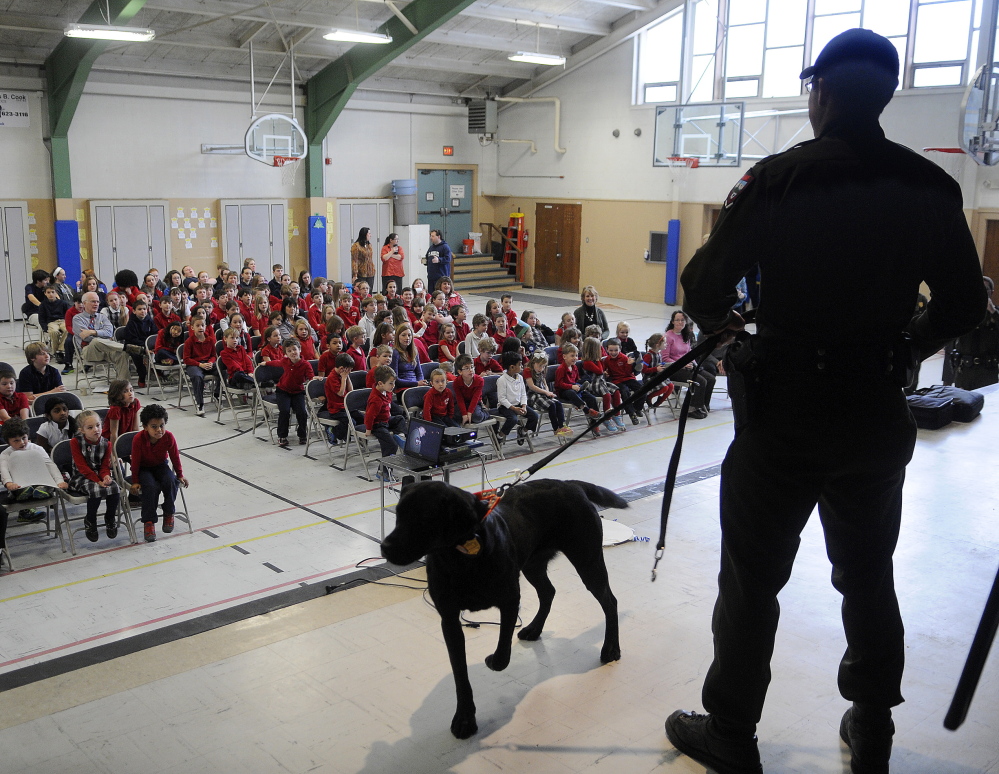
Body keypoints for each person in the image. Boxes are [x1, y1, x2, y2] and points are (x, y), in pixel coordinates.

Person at [664, 29, 988, 774]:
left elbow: (704, 287)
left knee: (751, 582)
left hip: (781, 412)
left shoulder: (776, 179)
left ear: (822, 94)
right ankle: (871, 726)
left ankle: (731, 735)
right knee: (867, 571)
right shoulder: (928, 186)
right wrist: (905, 345)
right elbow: (965, 303)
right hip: (873, 408)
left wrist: (732, 340)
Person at [130, 403, 188, 543]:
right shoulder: (138, 439)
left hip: (161, 466)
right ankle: (149, 521)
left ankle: (169, 512)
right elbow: (135, 462)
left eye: (162, 425)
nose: (159, 430)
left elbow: (175, 456)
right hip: (144, 468)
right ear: (145, 427)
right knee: (150, 487)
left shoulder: (168, 437)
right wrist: (135, 481)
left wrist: (180, 474)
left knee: (170, 481)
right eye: (154, 426)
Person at [1, 418, 69, 534]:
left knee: (46, 485)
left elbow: (50, 465)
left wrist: (59, 481)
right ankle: (24, 495)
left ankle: (42, 491)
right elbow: (4, 470)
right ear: (8, 442)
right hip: (19, 484)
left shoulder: (37, 449)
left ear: (28, 435)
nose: (22, 442)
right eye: (16, 441)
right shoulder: (5, 454)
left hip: (40, 481)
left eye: (24, 438)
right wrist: (9, 483)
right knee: (18, 490)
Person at [68, 410, 121, 543]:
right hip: (81, 476)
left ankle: (110, 517)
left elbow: (104, 466)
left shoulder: (106, 443)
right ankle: (90, 519)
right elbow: (82, 467)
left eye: (98, 425)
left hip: (98, 475)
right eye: (90, 427)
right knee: (96, 491)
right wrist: (98, 481)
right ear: (82, 430)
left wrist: (106, 477)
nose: (96, 430)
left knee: (115, 488)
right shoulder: (75, 442)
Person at [949, 276, 998, 390]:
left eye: (985, 289)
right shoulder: (964, 313)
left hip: (987, 371)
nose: (981, 292)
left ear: (992, 292)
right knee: (962, 404)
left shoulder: (996, 313)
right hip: (964, 370)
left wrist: (992, 312)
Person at [664, 310, 715, 419]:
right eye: (677, 320)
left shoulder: (685, 335)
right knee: (700, 381)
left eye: (682, 320)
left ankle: (703, 404)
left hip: (688, 366)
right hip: (674, 369)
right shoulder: (668, 336)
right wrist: (682, 365)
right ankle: (691, 409)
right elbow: (665, 359)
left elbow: (689, 354)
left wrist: (695, 364)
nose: (680, 322)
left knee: (710, 378)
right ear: (672, 321)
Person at [72, 291, 132, 381]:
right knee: (95, 341)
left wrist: (93, 332)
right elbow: (86, 337)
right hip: (88, 351)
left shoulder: (102, 317)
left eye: (97, 301)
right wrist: (100, 334)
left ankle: (123, 384)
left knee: (122, 354)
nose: (96, 304)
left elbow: (109, 332)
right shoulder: (77, 318)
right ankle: (127, 348)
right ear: (84, 303)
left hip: (106, 350)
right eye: (93, 301)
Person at [554, 342, 602, 435]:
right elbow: (559, 384)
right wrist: (571, 386)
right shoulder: (561, 369)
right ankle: (586, 410)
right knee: (571, 393)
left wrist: (578, 385)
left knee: (591, 398)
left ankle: (594, 423)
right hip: (563, 391)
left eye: (576, 355)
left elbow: (576, 380)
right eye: (572, 356)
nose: (575, 358)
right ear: (564, 357)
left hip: (574, 388)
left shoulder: (575, 367)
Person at [273, 338, 313, 447]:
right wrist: (265, 363)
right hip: (283, 391)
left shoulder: (306, 365)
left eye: (294, 349)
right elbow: (276, 363)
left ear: (299, 349)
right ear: (286, 353)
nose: (292, 353)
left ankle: (302, 434)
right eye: (289, 351)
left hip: (297, 392)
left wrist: (315, 379)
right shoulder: (285, 361)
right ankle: (282, 435)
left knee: (302, 412)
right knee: (284, 411)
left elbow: (311, 377)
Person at [524, 350, 571, 440]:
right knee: (551, 405)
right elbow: (532, 386)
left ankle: (562, 425)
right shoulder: (528, 370)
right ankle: (555, 428)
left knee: (558, 404)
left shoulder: (541, 371)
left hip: (542, 394)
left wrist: (548, 392)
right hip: (533, 396)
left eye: (543, 366)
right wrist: (545, 392)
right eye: (540, 366)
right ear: (534, 362)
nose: (541, 368)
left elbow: (544, 383)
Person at [495, 351, 539, 445]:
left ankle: (523, 431)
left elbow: (523, 394)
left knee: (534, 416)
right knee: (513, 419)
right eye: (519, 364)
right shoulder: (502, 380)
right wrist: (514, 409)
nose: (522, 366)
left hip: (519, 404)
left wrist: (523, 406)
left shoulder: (519, 377)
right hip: (506, 406)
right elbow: (502, 399)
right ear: (512, 367)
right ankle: (500, 436)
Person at [364, 365, 407, 458]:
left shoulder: (386, 390)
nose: (393, 386)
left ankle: (400, 436)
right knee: (392, 446)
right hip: (377, 425)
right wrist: (368, 430)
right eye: (391, 383)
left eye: (394, 383)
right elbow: (369, 416)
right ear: (380, 383)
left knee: (400, 418)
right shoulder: (376, 399)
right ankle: (383, 470)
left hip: (385, 419)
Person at [182, 318, 216, 417]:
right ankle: (200, 403)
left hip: (208, 363)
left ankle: (217, 394)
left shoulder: (210, 340)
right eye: (198, 326)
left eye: (202, 325)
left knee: (222, 370)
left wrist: (211, 362)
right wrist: (200, 365)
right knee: (197, 377)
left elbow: (214, 355)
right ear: (192, 328)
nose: (200, 327)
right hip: (194, 364)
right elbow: (186, 359)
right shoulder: (189, 341)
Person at [123, 299, 157, 388]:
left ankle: (159, 373)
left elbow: (154, 334)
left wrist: (151, 345)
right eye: (140, 309)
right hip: (134, 346)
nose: (143, 311)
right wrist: (145, 347)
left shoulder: (149, 320)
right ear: (134, 311)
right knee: (137, 355)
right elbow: (132, 339)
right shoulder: (131, 323)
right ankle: (142, 376)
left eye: (144, 309)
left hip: (147, 344)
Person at [38, 284, 71, 362]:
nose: (51, 294)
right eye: (48, 292)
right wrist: (45, 328)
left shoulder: (63, 303)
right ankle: (56, 351)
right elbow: (41, 318)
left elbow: (68, 315)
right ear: (45, 293)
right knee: (54, 332)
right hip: (51, 322)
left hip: (63, 321)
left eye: (52, 292)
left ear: (56, 293)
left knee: (67, 330)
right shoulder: (43, 305)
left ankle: (60, 350)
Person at [104, 379, 141, 446]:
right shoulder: (115, 410)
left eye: (131, 390)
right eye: (125, 391)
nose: (130, 393)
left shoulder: (135, 403)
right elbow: (113, 434)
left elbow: (135, 428)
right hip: (109, 442)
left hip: (125, 439)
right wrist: (114, 454)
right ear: (117, 395)